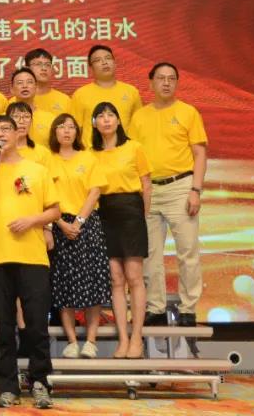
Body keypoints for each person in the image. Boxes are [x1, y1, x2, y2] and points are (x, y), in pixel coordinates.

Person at [0, 115, 59, 409]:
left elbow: (55, 211)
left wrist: (32, 220)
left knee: (36, 325)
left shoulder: (37, 169)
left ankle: (40, 382)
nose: (0, 133)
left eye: (5, 129)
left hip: (32, 257)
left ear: (17, 132)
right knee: (4, 327)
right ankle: (8, 387)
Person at [129, 62, 208, 327]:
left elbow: (200, 154)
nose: (166, 83)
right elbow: (132, 156)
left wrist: (195, 190)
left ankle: (188, 308)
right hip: (148, 189)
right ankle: (156, 307)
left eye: (171, 78)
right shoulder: (139, 117)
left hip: (180, 187)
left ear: (176, 83)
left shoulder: (188, 112)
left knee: (187, 250)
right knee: (150, 254)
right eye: (161, 78)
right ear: (150, 83)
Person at [91, 101, 152, 358]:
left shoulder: (134, 147)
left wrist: (142, 216)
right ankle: (123, 339)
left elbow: (146, 184)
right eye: (101, 116)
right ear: (94, 123)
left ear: (118, 120)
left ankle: (137, 337)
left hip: (131, 212)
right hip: (104, 213)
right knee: (115, 279)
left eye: (110, 115)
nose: (106, 120)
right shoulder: (91, 154)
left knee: (134, 277)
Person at [47, 113, 109, 359]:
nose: (66, 131)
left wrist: (78, 222)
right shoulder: (48, 160)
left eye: (71, 127)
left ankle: (91, 341)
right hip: (59, 225)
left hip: (87, 224)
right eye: (61, 127)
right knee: (64, 283)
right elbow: (45, 196)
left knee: (92, 280)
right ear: (54, 132)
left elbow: (95, 192)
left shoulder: (88, 158)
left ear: (77, 132)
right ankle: (71, 341)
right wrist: (62, 223)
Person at [71, 44, 143, 145]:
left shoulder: (131, 92)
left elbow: (139, 127)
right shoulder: (80, 94)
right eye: (98, 60)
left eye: (108, 58)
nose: (104, 62)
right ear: (91, 69)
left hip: (124, 152)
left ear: (115, 63)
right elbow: (75, 130)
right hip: (91, 153)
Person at [8, 67, 56, 147]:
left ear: (36, 88)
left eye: (29, 82)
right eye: (20, 83)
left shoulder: (50, 119)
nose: (25, 86)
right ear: (12, 89)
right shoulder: (4, 119)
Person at [5, 101, 53, 169]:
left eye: (26, 116)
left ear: (31, 121)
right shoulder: (1, 151)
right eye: (16, 116)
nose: (21, 121)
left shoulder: (43, 153)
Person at [22, 48, 71, 114]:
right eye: (38, 64)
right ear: (27, 69)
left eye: (47, 65)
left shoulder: (65, 100)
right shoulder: (17, 100)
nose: (44, 68)